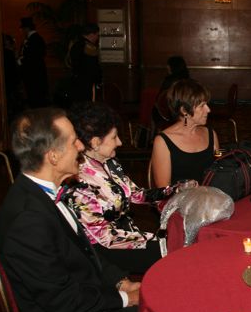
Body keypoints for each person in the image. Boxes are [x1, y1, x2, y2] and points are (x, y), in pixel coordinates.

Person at [0, 107, 140, 312]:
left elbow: (86, 252)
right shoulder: (27, 220)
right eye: (74, 141)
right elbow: (61, 299)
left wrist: (121, 283)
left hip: (83, 303)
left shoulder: (46, 192)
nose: (82, 146)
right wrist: (127, 299)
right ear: (53, 156)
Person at [64, 102, 183, 275]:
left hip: (126, 236)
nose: (119, 142)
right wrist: (150, 240)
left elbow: (135, 194)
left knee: (178, 245)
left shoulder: (109, 162)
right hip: (103, 252)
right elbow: (103, 237)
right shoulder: (79, 179)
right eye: (114, 137)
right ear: (95, 142)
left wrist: (175, 190)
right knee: (174, 254)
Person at [150, 78, 219, 186]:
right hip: (179, 201)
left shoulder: (211, 134)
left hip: (210, 198)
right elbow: (163, 189)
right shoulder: (163, 141)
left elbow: (218, 163)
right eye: (202, 106)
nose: (208, 110)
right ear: (184, 111)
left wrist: (224, 155)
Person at [18, 17, 50, 108]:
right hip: (33, 75)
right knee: (33, 97)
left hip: (35, 74)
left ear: (27, 28)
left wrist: (20, 61)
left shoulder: (35, 39)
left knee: (36, 99)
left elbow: (34, 57)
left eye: (22, 29)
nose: (21, 31)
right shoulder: (31, 39)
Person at [68, 23, 102, 105]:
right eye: (97, 35)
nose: (97, 38)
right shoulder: (89, 47)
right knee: (88, 104)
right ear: (91, 34)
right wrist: (98, 80)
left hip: (76, 80)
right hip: (87, 82)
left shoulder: (75, 44)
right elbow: (93, 66)